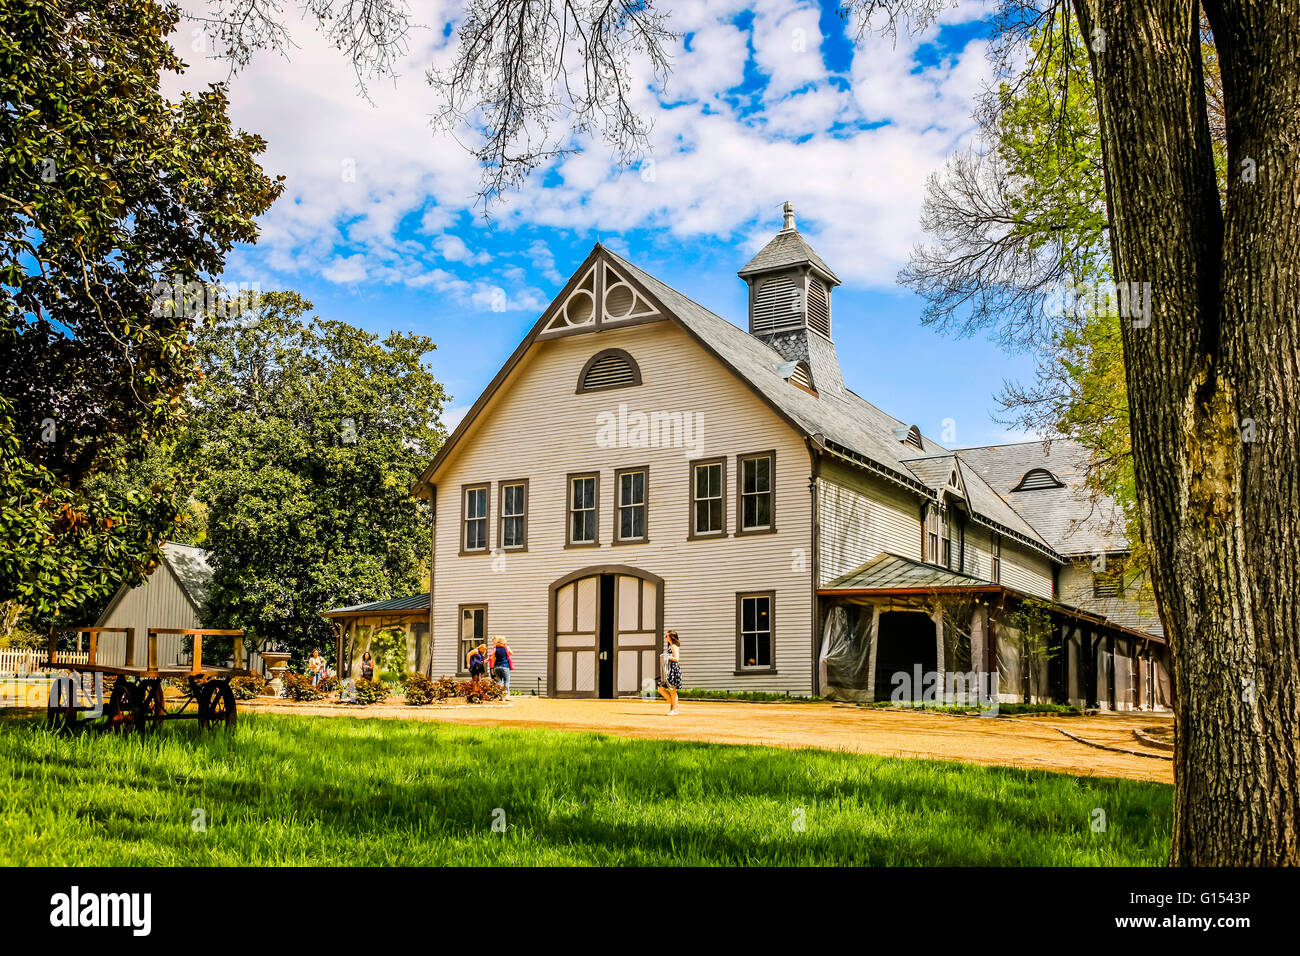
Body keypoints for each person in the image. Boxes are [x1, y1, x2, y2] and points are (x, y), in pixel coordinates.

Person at [657, 630, 681, 715]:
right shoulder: (671, 646)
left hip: (673, 670)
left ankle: (674, 709)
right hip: (668, 669)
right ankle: (674, 706)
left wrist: (666, 656)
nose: (665, 638)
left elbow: (677, 658)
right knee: (661, 689)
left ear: (671, 637)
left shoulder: (673, 646)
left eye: (667, 636)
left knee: (672, 691)